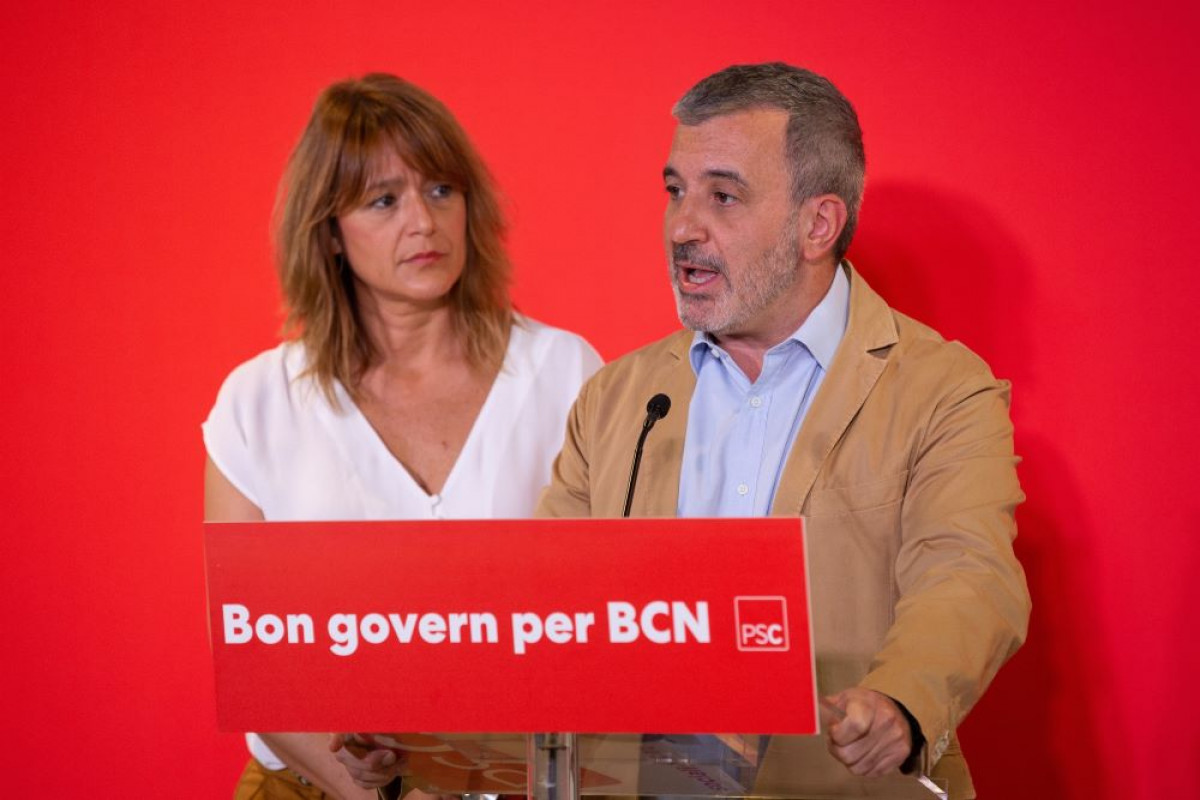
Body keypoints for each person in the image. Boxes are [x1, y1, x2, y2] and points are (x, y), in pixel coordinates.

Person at [536, 63, 1030, 800]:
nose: (682, 227)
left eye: (723, 196)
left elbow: (969, 576)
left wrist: (902, 699)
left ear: (817, 224)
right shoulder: (619, 399)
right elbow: (547, 609)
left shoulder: (943, 390)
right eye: (675, 191)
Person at [203, 73, 602, 800]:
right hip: (311, 786)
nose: (423, 221)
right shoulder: (256, 404)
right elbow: (249, 660)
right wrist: (381, 795)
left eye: (441, 189)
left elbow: (608, 617)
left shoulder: (566, 372)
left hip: (516, 782)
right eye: (384, 200)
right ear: (330, 231)